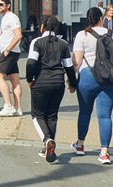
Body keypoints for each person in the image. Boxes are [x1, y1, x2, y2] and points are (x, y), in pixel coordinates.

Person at [72, 6, 113, 165]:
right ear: (101, 19)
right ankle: (104, 153)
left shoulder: (82, 35)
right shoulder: (112, 34)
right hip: (109, 79)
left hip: (87, 76)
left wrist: (71, 81)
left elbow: (76, 61)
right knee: (105, 116)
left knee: (84, 112)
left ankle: (80, 145)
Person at [25, 15, 76, 163]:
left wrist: (29, 79)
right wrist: (72, 84)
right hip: (58, 83)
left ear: (42, 27)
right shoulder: (63, 44)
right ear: (56, 28)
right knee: (52, 116)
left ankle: (47, 140)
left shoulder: (37, 42)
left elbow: (31, 63)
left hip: (41, 82)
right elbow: (69, 67)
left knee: (37, 115)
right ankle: (49, 148)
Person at [0, 0, 24, 117]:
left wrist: (7, 49)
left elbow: (18, 35)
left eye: (1, 4)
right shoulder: (5, 18)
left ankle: (9, 105)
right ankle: (18, 108)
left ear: (8, 5)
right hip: (11, 52)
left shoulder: (12, 17)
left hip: (9, 52)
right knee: (14, 79)